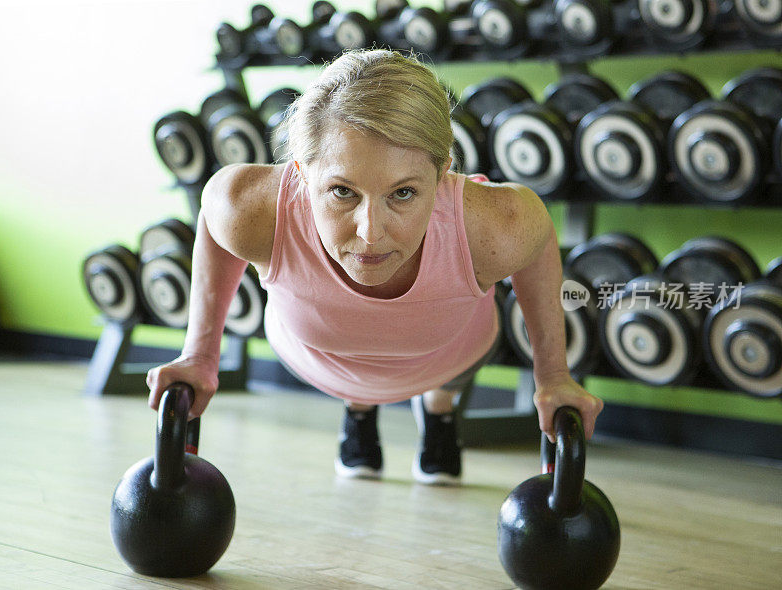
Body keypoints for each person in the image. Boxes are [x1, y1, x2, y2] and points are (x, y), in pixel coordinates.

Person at [147, 48, 603, 485]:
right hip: (320, 359)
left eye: (403, 193)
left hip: (448, 357)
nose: (370, 233)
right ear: (303, 174)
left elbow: (540, 240)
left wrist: (554, 376)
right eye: (343, 192)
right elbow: (213, 217)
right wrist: (200, 355)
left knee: (444, 382)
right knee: (353, 366)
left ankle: (439, 409)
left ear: (443, 176)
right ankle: (359, 406)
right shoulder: (253, 207)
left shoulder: (496, 224)